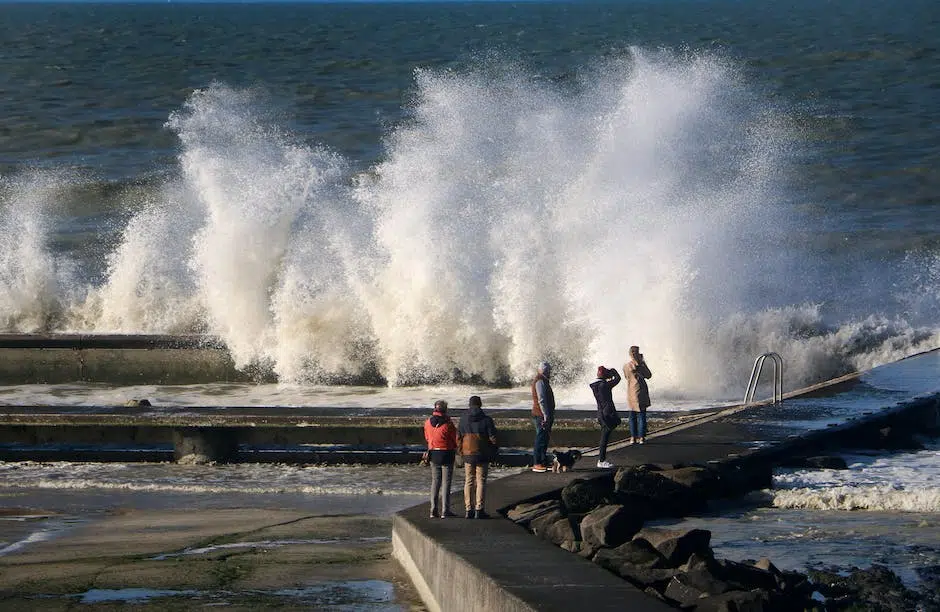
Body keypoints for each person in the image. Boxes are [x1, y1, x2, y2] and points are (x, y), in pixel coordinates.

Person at [457, 395, 498, 519]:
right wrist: (494, 450)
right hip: (482, 454)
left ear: (469, 405)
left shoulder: (463, 419)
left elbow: (458, 437)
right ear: (480, 405)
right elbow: (493, 438)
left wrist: (460, 452)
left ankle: (468, 509)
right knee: (481, 481)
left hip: (468, 454)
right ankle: (479, 509)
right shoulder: (486, 419)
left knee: (468, 480)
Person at [423, 399, 458, 519]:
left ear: (435, 409)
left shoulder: (428, 422)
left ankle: (433, 510)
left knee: (435, 481)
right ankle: (445, 510)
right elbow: (455, 439)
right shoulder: (448, 423)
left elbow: (427, 437)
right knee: (446, 482)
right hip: (446, 453)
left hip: (433, 453)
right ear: (445, 410)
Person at [589, 366, 621, 468]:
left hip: (601, 413)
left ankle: (602, 460)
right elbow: (618, 379)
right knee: (604, 437)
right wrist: (613, 371)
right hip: (607, 413)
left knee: (605, 435)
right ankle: (601, 461)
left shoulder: (596, 385)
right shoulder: (605, 385)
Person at [624, 345, 653, 444]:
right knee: (641, 415)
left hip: (630, 391)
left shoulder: (626, 366)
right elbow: (648, 375)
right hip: (640, 391)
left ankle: (632, 437)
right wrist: (642, 362)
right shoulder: (640, 365)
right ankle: (641, 437)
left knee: (632, 416)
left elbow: (626, 376)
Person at [530, 361, 555, 473]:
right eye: (549, 370)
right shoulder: (540, 381)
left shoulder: (542, 380)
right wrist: (545, 415)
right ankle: (537, 463)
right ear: (545, 371)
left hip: (542, 414)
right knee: (540, 439)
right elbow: (541, 399)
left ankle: (542, 461)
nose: (550, 372)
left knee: (544, 439)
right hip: (541, 415)